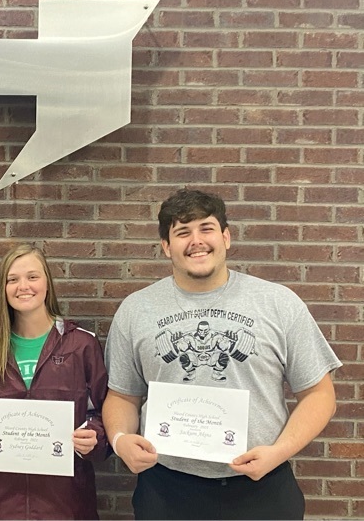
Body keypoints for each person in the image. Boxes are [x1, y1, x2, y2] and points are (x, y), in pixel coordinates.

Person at [103, 189, 342, 520]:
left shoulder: (278, 303)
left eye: (207, 228)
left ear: (226, 237)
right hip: (166, 491)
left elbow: (320, 395)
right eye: (182, 232)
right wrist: (120, 440)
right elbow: (121, 396)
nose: (196, 241)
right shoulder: (135, 310)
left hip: (261, 489)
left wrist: (278, 452)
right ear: (166, 246)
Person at [0, 244, 109, 520]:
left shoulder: (81, 344)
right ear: (2, 289)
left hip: (65, 506)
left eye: (32, 277)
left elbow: (106, 413)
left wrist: (94, 437)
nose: (23, 286)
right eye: (12, 279)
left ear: (47, 283)